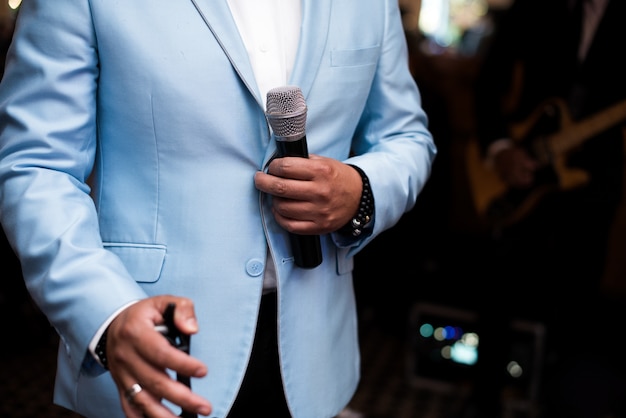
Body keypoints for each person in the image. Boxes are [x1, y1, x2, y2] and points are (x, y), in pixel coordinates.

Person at [0, 1, 436, 418]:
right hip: (152, 340)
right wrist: (104, 311)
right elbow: (38, 167)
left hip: (315, 351)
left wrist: (362, 189)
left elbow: (406, 135)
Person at [470, 0, 626, 416]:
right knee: (499, 284)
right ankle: (484, 400)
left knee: (579, 302)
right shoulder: (536, 6)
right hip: (524, 169)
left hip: (594, 183)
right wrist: (501, 149)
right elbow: (488, 81)